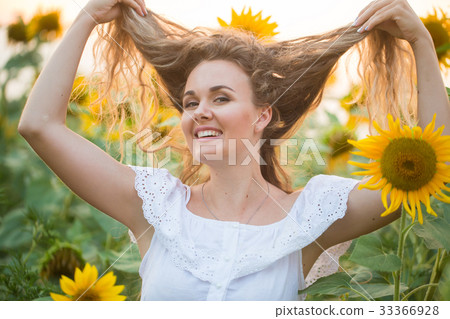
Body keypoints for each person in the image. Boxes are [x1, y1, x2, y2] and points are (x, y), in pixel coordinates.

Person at [17, 0, 450, 301]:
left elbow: (433, 172)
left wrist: (422, 43)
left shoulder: (310, 218)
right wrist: (89, 16)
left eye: (220, 98)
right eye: (190, 102)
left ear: (263, 116)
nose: (200, 112)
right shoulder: (153, 205)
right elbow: (39, 125)